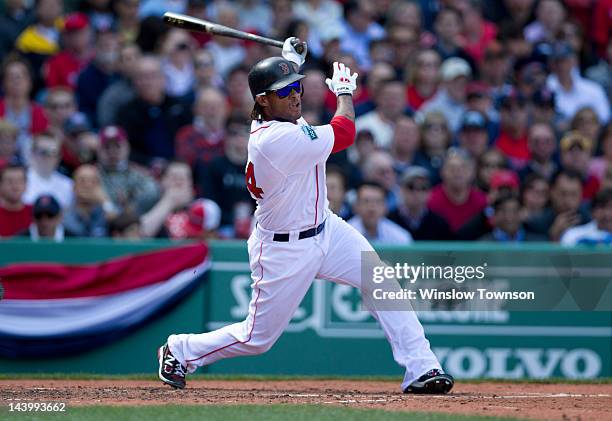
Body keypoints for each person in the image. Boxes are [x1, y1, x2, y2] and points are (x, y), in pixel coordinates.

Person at [157, 37, 453, 395]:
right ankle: (180, 350)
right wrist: (344, 93)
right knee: (257, 338)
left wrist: (289, 61)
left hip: (327, 229)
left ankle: (422, 367)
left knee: (382, 282)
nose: (295, 95)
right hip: (283, 247)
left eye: (296, 86)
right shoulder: (272, 140)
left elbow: (292, 103)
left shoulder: (283, 115)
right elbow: (344, 132)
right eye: (285, 91)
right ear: (262, 101)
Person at [97, 125, 160, 216]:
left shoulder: (140, 174)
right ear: (98, 150)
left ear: (127, 147)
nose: (112, 151)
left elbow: (153, 194)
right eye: (107, 147)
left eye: (117, 146)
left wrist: (132, 205)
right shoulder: (91, 175)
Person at [428, 148, 487, 234]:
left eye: (463, 167)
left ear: (472, 172)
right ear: (442, 172)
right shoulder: (430, 200)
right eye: (452, 168)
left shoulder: (482, 201)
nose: (457, 172)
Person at [525, 170, 591, 242]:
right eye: (563, 193)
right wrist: (553, 236)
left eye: (574, 194)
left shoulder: (589, 221)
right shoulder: (537, 223)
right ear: (552, 192)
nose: (567, 200)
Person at [389, 166, 452, 240]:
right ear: (401, 190)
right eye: (411, 187)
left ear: (430, 192)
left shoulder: (440, 224)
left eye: (423, 188)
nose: (417, 192)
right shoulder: (389, 220)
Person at [348, 181, 413, 244]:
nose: (371, 207)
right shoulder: (346, 234)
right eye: (366, 201)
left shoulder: (401, 237)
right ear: (356, 206)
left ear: (385, 207)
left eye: (377, 201)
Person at [23, 132, 73, 210]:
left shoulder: (68, 185)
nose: (48, 157)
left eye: (53, 153)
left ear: (59, 157)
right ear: (32, 154)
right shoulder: (21, 183)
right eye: (43, 152)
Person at [63, 164, 115, 237]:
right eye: (82, 181)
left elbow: (119, 223)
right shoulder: (64, 215)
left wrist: (105, 201)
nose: (87, 185)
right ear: (73, 186)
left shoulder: (105, 212)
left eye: (93, 181)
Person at [479, 193, 547, 242]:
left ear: (522, 213)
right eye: (504, 211)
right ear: (495, 215)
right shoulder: (483, 245)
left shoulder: (537, 243)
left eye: (515, 211)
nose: (510, 217)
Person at [0, 162, 32, 237]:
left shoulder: (37, 214)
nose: (15, 186)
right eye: (10, 181)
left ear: (26, 185)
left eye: (19, 181)